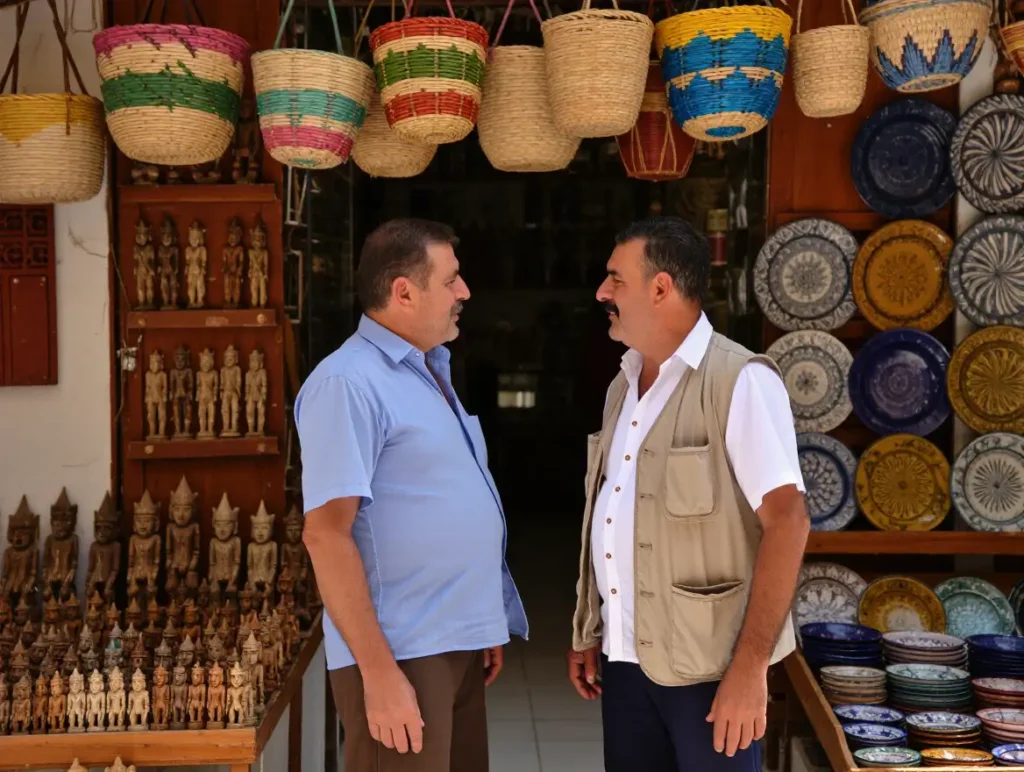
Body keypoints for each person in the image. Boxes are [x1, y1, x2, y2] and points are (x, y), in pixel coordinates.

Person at [567, 217, 809, 772]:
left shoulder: (739, 380)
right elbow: (613, 514)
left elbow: (788, 521)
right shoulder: (622, 385)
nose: (603, 293)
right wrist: (591, 626)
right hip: (625, 662)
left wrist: (749, 671)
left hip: (712, 672)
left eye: (615, 280)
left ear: (660, 288)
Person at [295, 218, 528, 772]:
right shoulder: (347, 383)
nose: (465, 292)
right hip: (400, 653)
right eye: (451, 281)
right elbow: (326, 534)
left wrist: (481, 616)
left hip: (453, 641)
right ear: (404, 291)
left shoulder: (426, 370)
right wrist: (377, 673)